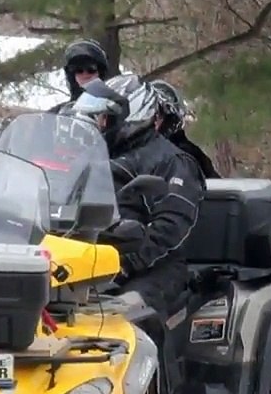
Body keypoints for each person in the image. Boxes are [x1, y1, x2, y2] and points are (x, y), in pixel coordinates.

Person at [71, 75, 206, 320]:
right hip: (85, 263)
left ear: (131, 115)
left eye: (104, 119)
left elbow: (171, 228)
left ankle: (156, 359)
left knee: (121, 317)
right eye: (97, 119)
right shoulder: (95, 158)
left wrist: (125, 264)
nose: (99, 126)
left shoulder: (171, 161)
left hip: (151, 268)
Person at [150, 80, 220, 179]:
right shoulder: (138, 152)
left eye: (156, 114)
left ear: (170, 118)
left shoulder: (183, 156)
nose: (150, 121)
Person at [50, 39, 111, 114]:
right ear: (71, 76)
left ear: (101, 73)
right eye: (78, 70)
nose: (85, 74)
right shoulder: (58, 112)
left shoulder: (113, 109)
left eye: (91, 69)